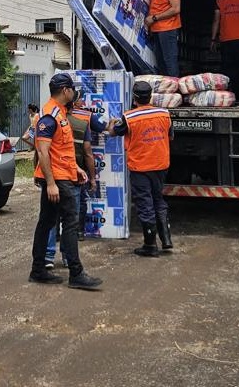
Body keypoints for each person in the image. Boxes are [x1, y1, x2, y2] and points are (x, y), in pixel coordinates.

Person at [28, 73, 102, 290]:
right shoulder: (50, 116)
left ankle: (38, 269)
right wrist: (51, 183)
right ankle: (76, 273)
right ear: (65, 91)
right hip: (58, 180)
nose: (73, 92)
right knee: (69, 223)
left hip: (63, 174)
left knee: (47, 222)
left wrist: (76, 167)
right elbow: (42, 152)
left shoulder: (59, 112)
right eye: (71, 89)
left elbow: (62, 150)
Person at [107, 81, 174, 257]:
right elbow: (170, 136)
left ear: (134, 98)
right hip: (160, 165)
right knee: (158, 200)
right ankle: (166, 240)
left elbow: (114, 132)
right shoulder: (164, 113)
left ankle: (150, 245)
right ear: (150, 96)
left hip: (141, 167)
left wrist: (112, 123)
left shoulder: (130, 117)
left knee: (145, 204)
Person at [44, 91, 97, 268]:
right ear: (74, 104)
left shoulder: (48, 119)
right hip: (71, 178)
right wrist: (92, 177)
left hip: (55, 175)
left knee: (51, 219)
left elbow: (37, 146)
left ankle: (48, 257)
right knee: (70, 220)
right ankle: (68, 257)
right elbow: (88, 153)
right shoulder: (81, 125)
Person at [146, 0, 182, 77]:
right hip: (157, 29)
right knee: (160, 61)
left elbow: (176, 8)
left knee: (169, 61)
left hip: (168, 29)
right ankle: (166, 89)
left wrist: (154, 18)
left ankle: (174, 91)